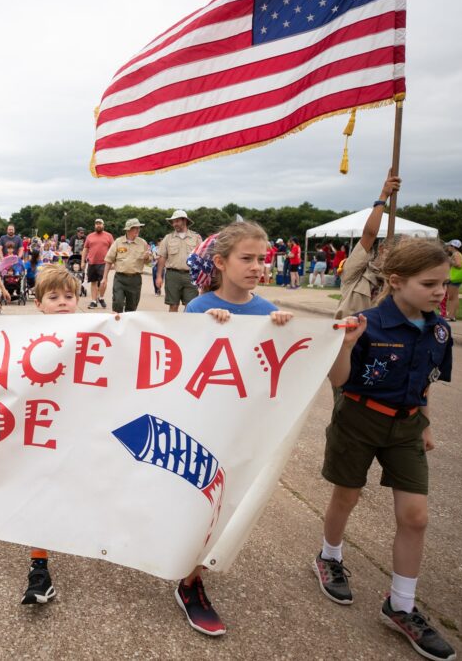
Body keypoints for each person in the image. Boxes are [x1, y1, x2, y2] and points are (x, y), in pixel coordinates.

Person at [315, 238, 456, 661]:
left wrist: (425, 421)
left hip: (408, 425)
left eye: (444, 284)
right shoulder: (366, 324)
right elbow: (339, 381)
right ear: (395, 282)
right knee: (347, 495)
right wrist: (344, 345)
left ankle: (401, 604)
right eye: (429, 284)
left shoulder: (440, 329)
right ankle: (329, 555)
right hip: (359, 419)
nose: (439, 292)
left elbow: (426, 377)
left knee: (416, 517)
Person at [178, 221, 293, 635]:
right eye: (247, 258)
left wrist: (286, 329)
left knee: (223, 504)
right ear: (221, 262)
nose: (257, 267)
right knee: (197, 501)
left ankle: (191, 575)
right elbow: (183, 370)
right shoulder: (198, 309)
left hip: (244, 428)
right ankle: (190, 581)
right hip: (205, 423)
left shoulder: (268, 313)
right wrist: (207, 326)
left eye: (262, 259)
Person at [11, 265, 82, 606]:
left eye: (69, 297)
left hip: (80, 427)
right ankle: (39, 566)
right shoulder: (21, 333)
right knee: (40, 489)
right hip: (39, 429)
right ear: (38, 303)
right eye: (54, 297)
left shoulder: (96, 331)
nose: (63, 303)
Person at [335, 173, 402, 319]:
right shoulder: (355, 273)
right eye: (393, 253)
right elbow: (370, 234)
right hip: (348, 337)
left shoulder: (397, 284)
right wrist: (384, 195)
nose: (395, 258)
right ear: (381, 249)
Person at [100, 218, 151, 313]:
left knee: (131, 308)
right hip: (120, 278)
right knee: (118, 303)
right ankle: (116, 325)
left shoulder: (142, 243)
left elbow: (148, 261)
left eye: (138, 228)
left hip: (135, 280)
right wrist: (104, 278)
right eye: (135, 228)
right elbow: (109, 260)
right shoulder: (118, 242)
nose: (137, 230)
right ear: (128, 230)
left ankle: (127, 327)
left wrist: (147, 257)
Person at [156, 210, 202, 312]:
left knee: (190, 306)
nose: (174, 224)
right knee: (173, 306)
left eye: (176, 221)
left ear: (184, 221)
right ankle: (172, 328)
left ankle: (186, 327)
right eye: (173, 222)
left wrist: (202, 278)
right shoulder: (168, 238)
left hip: (191, 276)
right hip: (173, 275)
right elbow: (162, 257)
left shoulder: (196, 237)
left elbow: (201, 258)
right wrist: (159, 276)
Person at [81, 219, 115, 309]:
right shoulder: (90, 236)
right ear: (94, 225)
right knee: (93, 282)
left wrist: (114, 262)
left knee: (103, 282)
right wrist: (82, 261)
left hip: (104, 263)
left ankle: (101, 297)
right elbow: (85, 249)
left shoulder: (109, 236)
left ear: (103, 225)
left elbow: (114, 250)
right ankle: (93, 301)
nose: (98, 225)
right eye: (96, 224)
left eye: (100, 224)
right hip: (92, 262)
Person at [444, 239, 462, 321]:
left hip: (454, 278)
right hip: (455, 278)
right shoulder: (456, 254)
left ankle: (451, 315)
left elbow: (459, 265)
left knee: (452, 298)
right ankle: (452, 315)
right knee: (454, 297)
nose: (447, 247)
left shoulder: (456, 254)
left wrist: (449, 260)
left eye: (449, 246)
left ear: (453, 246)